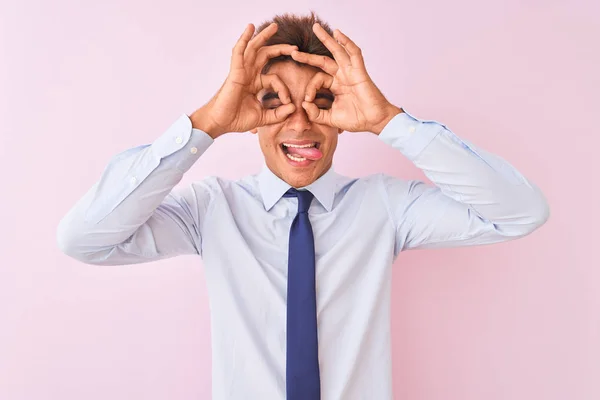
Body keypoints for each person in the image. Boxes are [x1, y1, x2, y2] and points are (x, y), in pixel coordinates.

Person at [57, 11, 549, 400]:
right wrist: (208, 121)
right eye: (275, 101)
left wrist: (388, 121)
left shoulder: (385, 206)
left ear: (341, 113)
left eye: (319, 100)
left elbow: (520, 212)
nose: (298, 122)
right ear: (250, 115)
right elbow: (85, 239)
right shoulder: (211, 210)